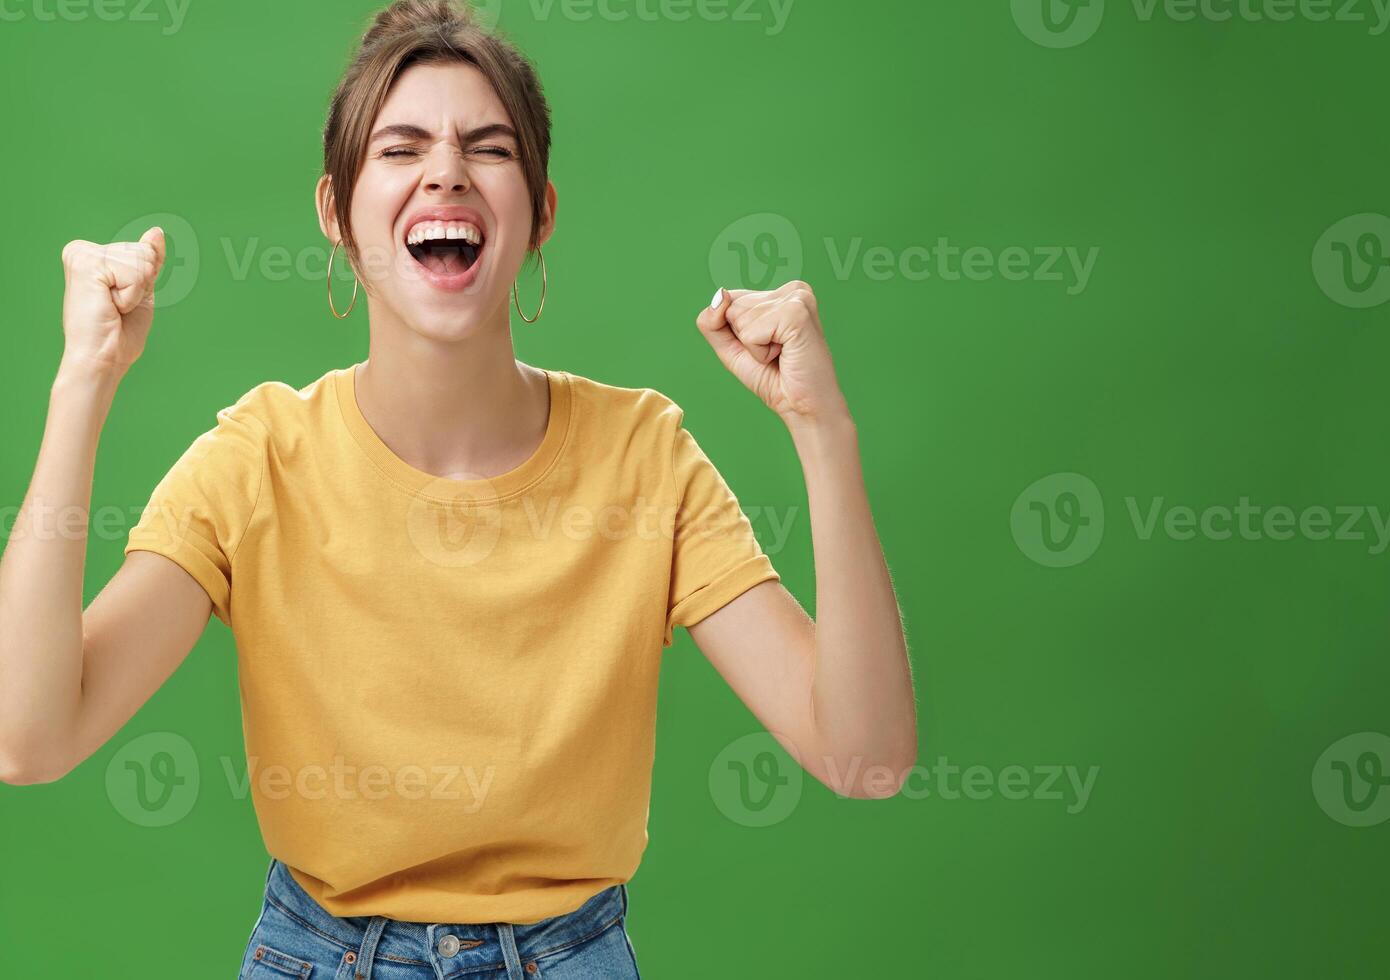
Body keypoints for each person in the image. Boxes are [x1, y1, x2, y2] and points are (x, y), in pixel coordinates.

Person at [0, 1, 916, 975]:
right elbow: (29, 736)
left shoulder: (644, 457)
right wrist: (83, 382)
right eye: (401, 149)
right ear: (335, 212)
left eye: (488, 147)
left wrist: (824, 429)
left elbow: (863, 754)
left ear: (540, 214)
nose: (446, 170)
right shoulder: (255, 457)